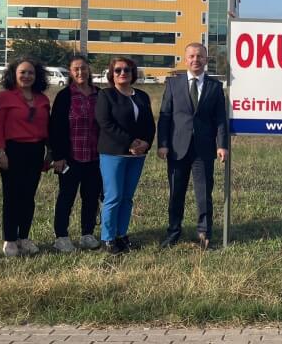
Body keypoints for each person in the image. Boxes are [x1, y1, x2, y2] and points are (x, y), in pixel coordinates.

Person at [158, 42, 228, 250]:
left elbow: (220, 118)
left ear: (206, 59)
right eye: (192, 56)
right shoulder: (173, 84)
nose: (195, 60)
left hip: (204, 149)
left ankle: (204, 233)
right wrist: (162, 144)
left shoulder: (215, 87)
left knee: (204, 194)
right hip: (177, 148)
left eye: (200, 56)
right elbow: (165, 116)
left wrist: (222, 145)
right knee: (176, 193)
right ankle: (173, 232)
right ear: (185, 59)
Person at [0, 57, 51, 256]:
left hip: (36, 151)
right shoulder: (4, 97)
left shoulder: (43, 100)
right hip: (12, 151)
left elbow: (47, 127)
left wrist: (49, 151)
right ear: (13, 75)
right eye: (22, 72)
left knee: (28, 196)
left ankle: (24, 237)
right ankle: (9, 239)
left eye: (31, 72)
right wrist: (0, 152)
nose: (27, 76)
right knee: (12, 196)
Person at [95, 56, 155, 255]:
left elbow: (149, 125)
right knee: (113, 196)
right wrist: (130, 142)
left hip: (137, 156)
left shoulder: (142, 96)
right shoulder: (106, 95)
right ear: (111, 74)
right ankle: (108, 238)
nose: (123, 73)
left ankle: (121, 235)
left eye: (127, 70)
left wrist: (146, 143)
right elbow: (105, 123)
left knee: (127, 197)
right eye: (118, 70)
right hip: (113, 153)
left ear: (132, 73)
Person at [49, 54, 101, 252]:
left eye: (83, 68)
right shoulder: (65, 96)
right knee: (66, 197)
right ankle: (61, 236)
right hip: (71, 157)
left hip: (95, 157)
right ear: (70, 72)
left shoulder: (99, 94)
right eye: (76, 69)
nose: (80, 72)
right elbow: (56, 128)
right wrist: (58, 156)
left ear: (89, 70)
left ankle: (87, 234)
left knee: (91, 197)